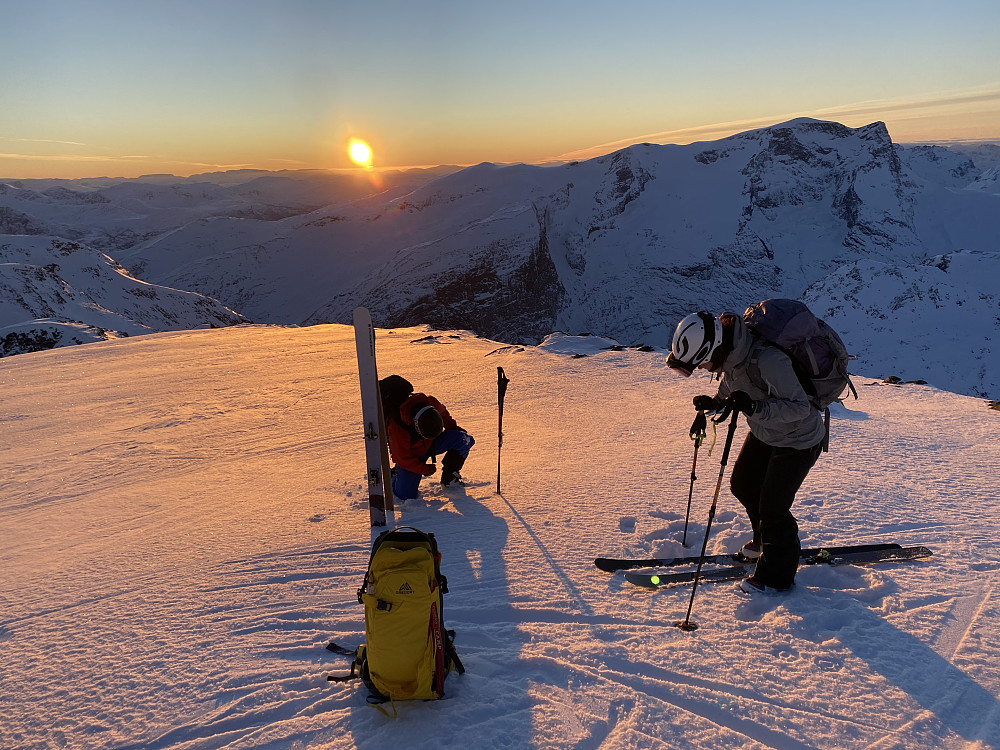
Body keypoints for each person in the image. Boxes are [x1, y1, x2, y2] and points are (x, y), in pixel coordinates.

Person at [666, 310, 826, 594]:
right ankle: (764, 539)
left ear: (713, 349)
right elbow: (734, 385)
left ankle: (777, 576)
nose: (702, 369)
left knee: (773, 507)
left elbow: (801, 408)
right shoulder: (732, 354)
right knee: (743, 484)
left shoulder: (768, 359)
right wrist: (715, 403)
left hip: (799, 438)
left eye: (702, 362)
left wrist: (754, 408)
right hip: (766, 431)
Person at [378, 375, 475, 501]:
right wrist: (425, 469)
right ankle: (395, 475)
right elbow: (401, 457)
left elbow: (444, 415)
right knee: (405, 496)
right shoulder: (397, 426)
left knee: (464, 439)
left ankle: (450, 478)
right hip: (412, 455)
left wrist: (455, 429)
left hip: (431, 444)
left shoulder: (431, 402)